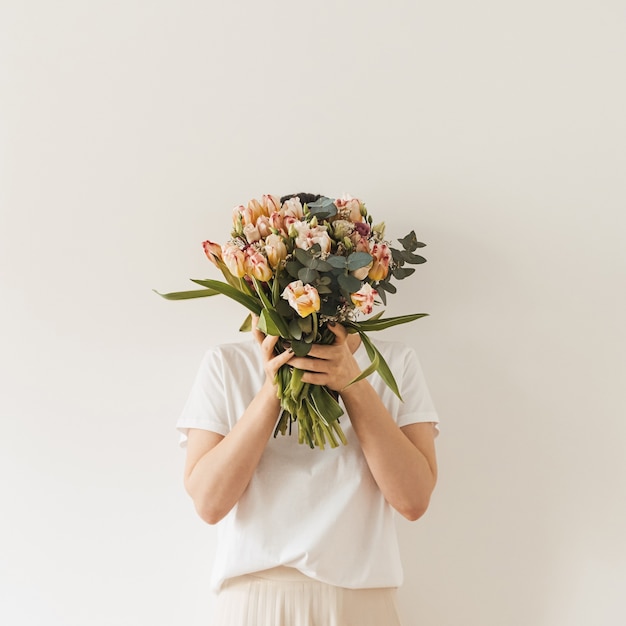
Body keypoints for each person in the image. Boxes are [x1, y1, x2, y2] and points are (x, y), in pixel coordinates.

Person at [177, 198, 439, 626]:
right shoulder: (225, 365)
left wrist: (352, 382)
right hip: (255, 600)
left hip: (361, 601)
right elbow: (208, 504)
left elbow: (413, 500)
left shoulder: (396, 363)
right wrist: (274, 388)